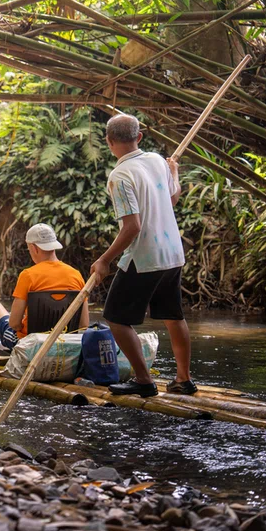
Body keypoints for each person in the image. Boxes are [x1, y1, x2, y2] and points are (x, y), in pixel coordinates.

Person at [90, 113, 194, 398]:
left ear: (109, 142)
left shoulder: (120, 175)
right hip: (172, 253)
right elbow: (172, 197)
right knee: (174, 316)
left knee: (115, 318)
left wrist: (104, 260)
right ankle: (183, 379)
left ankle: (143, 380)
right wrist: (174, 171)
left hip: (145, 257)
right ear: (139, 137)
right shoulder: (158, 161)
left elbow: (132, 226)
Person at [0, 224, 89, 365]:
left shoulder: (28, 275)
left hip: (29, 345)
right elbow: (84, 324)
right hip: (63, 345)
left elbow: (14, 323)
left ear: (34, 248)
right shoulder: (76, 275)